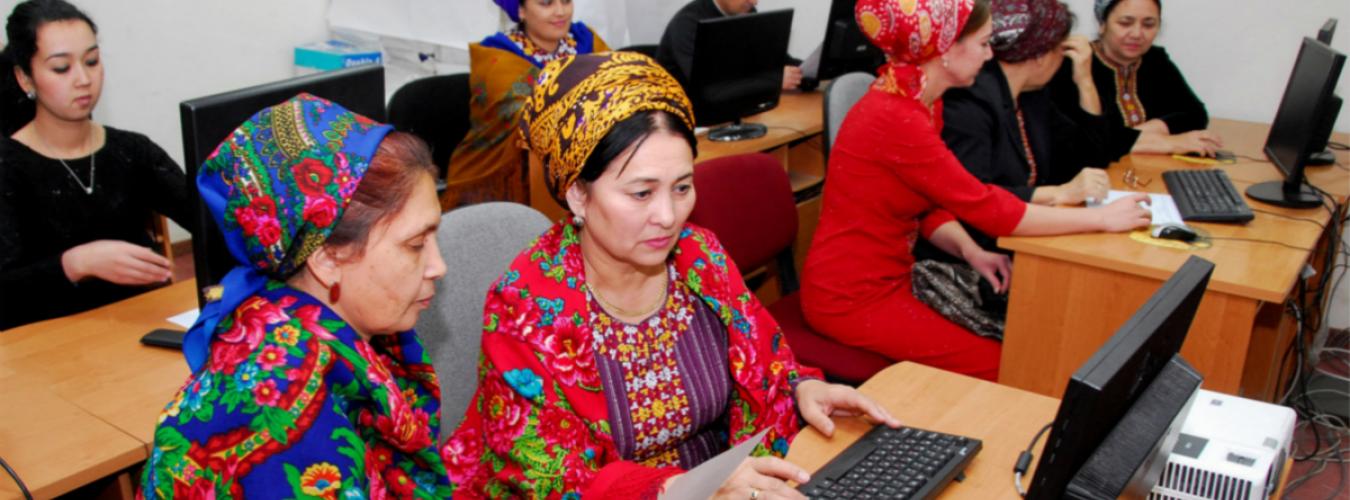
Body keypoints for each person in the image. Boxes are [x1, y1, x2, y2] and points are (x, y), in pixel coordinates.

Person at [442, 52, 898, 499]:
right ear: (578, 194)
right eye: (641, 193)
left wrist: (804, 387)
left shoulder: (698, 256)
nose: (668, 216)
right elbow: (544, 480)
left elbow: (765, 362)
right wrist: (677, 488)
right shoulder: (526, 307)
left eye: (682, 187)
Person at [801, 0, 1152, 381]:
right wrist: (1101, 218)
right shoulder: (897, 115)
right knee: (1005, 366)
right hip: (851, 297)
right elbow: (988, 207)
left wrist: (970, 250)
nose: (990, 54)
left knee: (1024, 343)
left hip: (893, 277)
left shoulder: (919, 102)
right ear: (947, 50)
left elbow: (929, 203)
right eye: (984, 43)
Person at [141, 94, 453, 498]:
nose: (438, 266)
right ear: (325, 258)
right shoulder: (285, 416)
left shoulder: (337, 328)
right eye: (415, 245)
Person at [0, 0, 191, 330]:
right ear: (25, 78)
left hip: (136, 329)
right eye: (62, 68)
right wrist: (73, 264)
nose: (83, 79)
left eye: (92, 61)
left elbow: (208, 219)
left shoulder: (132, 151)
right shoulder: (7, 168)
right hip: (44, 348)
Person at [918, 0, 1114, 265]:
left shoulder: (1032, 96)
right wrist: (1059, 193)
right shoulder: (967, 106)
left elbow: (1094, 154)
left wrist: (1086, 82)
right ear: (1041, 55)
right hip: (975, 256)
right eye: (1061, 50)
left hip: (1015, 237)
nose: (1062, 60)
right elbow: (970, 202)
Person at [441, 0, 608, 210]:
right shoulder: (498, 56)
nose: (560, 11)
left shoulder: (587, 41)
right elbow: (526, 118)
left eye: (566, 1)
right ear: (521, 10)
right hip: (506, 181)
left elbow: (619, 89)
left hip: (583, 164)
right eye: (546, 4)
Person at [1048, 0, 1221, 157]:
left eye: (1149, 24)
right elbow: (1079, 139)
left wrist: (1139, 134)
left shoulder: (1155, 60)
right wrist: (1165, 142)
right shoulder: (1074, 62)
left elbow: (1195, 114)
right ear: (1102, 24)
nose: (1137, 34)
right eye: (1125, 23)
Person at [656, 0, 803, 91]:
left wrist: (810, 69)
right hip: (688, 118)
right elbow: (711, 85)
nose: (754, 2)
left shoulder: (746, 12)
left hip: (733, 109)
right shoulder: (687, 24)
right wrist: (772, 81)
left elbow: (773, 57)